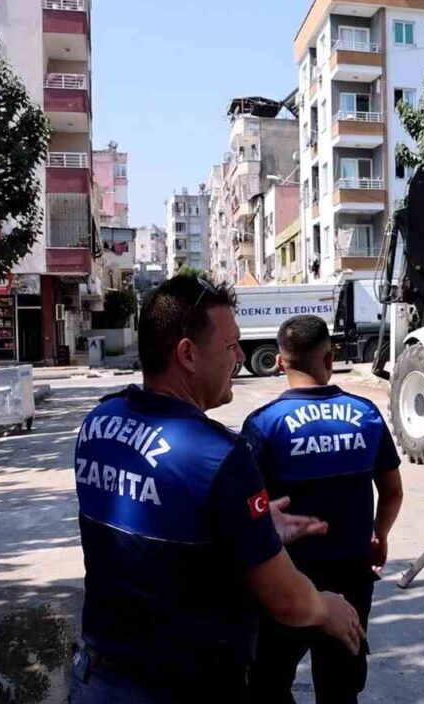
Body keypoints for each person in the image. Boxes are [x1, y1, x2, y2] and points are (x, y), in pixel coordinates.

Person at [69, 275, 364, 702]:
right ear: (187, 354)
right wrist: (327, 607)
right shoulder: (218, 455)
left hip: (99, 680)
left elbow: (164, 527)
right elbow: (286, 601)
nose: (240, 358)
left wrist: (252, 526)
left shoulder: (98, 423)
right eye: (231, 347)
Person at [243, 314, 403, 703]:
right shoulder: (365, 415)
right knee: (341, 687)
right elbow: (393, 491)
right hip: (351, 576)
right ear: (330, 358)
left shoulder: (263, 425)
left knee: (268, 682)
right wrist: (379, 534)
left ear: (280, 363)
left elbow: (248, 510)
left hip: (285, 581)